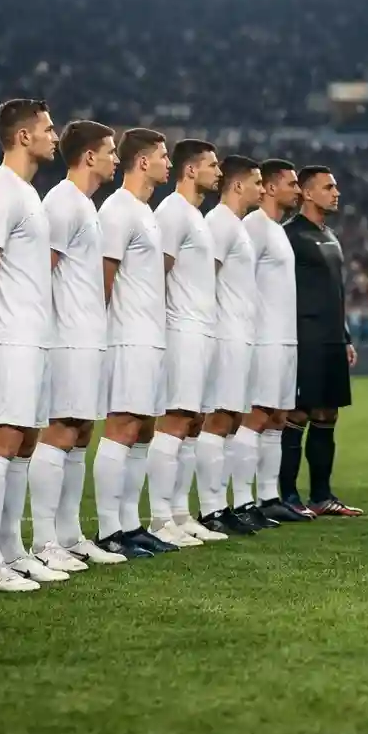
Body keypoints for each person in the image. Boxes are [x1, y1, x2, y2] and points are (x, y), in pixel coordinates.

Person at [0, 99, 65, 592]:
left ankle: (11, 550)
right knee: (1, 441)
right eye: (48, 129)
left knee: (24, 442)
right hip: (6, 336)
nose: (55, 135)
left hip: (31, 335)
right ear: (23, 136)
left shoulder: (26, 192)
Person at [34, 119, 126, 568]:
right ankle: (45, 540)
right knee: (59, 432)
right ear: (89, 156)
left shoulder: (86, 205)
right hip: (66, 337)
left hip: (89, 336)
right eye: (110, 151)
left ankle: (68, 536)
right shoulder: (62, 203)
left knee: (81, 433)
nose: (116, 158)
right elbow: (41, 273)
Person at [199, 156, 296, 536]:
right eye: (256, 182)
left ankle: (237, 504)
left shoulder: (243, 226)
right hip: (232, 334)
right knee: (226, 420)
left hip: (252, 333)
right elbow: (208, 279)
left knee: (242, 419)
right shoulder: (228, 225)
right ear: (240, 185)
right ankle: (218, 506)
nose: (261, 188)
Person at [95, 127, 176, 559]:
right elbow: (104, 279)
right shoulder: (117, 210)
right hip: (127, 336)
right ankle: (110, 530)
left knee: (143, 429)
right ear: (143, 161)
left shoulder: (146, 211)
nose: (169, 163)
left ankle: (130, 524)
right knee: (123, 427)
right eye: (163, 156)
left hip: (150, 335)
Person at [149, 139, 224, 545]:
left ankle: (179, 512)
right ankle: (160, 518)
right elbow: (156, 273)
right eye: (211, 165)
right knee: (176, 421)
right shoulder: (173, 212)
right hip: (180, 329)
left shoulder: (196, 215)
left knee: (193, 423)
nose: (218, 172)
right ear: (191, 170)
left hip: (202, 328)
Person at [281, 165, 361, 517]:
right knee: (298, 413)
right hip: (304, 337)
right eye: (328, 187)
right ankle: (286, 495)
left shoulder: (330, 235)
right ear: (307, 193)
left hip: (331, 339)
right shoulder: (290, 235)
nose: (336, 192)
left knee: (328, 413)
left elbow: (336, 292)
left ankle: (322, 495)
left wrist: (344, 337)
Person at [230, 160, 304, 529]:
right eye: (291, 183)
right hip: (264, 338)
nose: (298, 190)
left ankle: (268, 496)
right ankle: (242, 500)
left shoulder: (275, 229)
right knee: (256, 416)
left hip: (284, 337)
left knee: (277, 418)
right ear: (271, 188)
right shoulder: (253, 227)